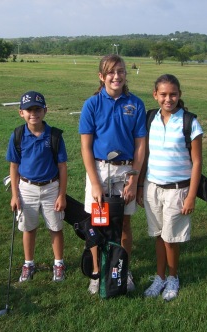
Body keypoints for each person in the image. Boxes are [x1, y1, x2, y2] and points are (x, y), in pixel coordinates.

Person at [79, 54, 146, 294]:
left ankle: (122, 269)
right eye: (111, 72)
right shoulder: (92, 104)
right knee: (98, 223)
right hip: (99, 170)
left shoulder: (136, 104)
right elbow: (85, 147)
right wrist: (95, 184)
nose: (116, 76)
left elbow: (140, 145)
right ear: (101, 76)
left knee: (124, 223)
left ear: (126, 74)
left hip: (126, 169)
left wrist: (133, 179)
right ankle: (98, 272)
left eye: (120, 71)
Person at [137, 74, 203, 301]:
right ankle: (160, 276)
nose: (168, 99)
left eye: (173, 94)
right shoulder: (149, 119)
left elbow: (197, 162)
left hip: (178, 190)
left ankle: (173, 277)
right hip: (152, 188)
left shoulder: (189, 122)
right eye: (163, 94)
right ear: (155, 95)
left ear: (179, 95)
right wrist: (139, 186)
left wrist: (191, 196)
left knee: (171, 238)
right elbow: (144, 156)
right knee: (158, 235)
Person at [6, 91, 68, 283]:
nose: (34, 113)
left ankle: (58, 263)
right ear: (21, 113)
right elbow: (14, 166)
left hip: (51, 188)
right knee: (28, 228)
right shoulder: (18, 135)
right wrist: (15, 195)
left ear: (45, 111)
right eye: (29, 110)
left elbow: (62, 167)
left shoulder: (54, 136)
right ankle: (28, 263)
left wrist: (62, 195)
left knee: (55, 227)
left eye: (38, 109)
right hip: (26, 188)